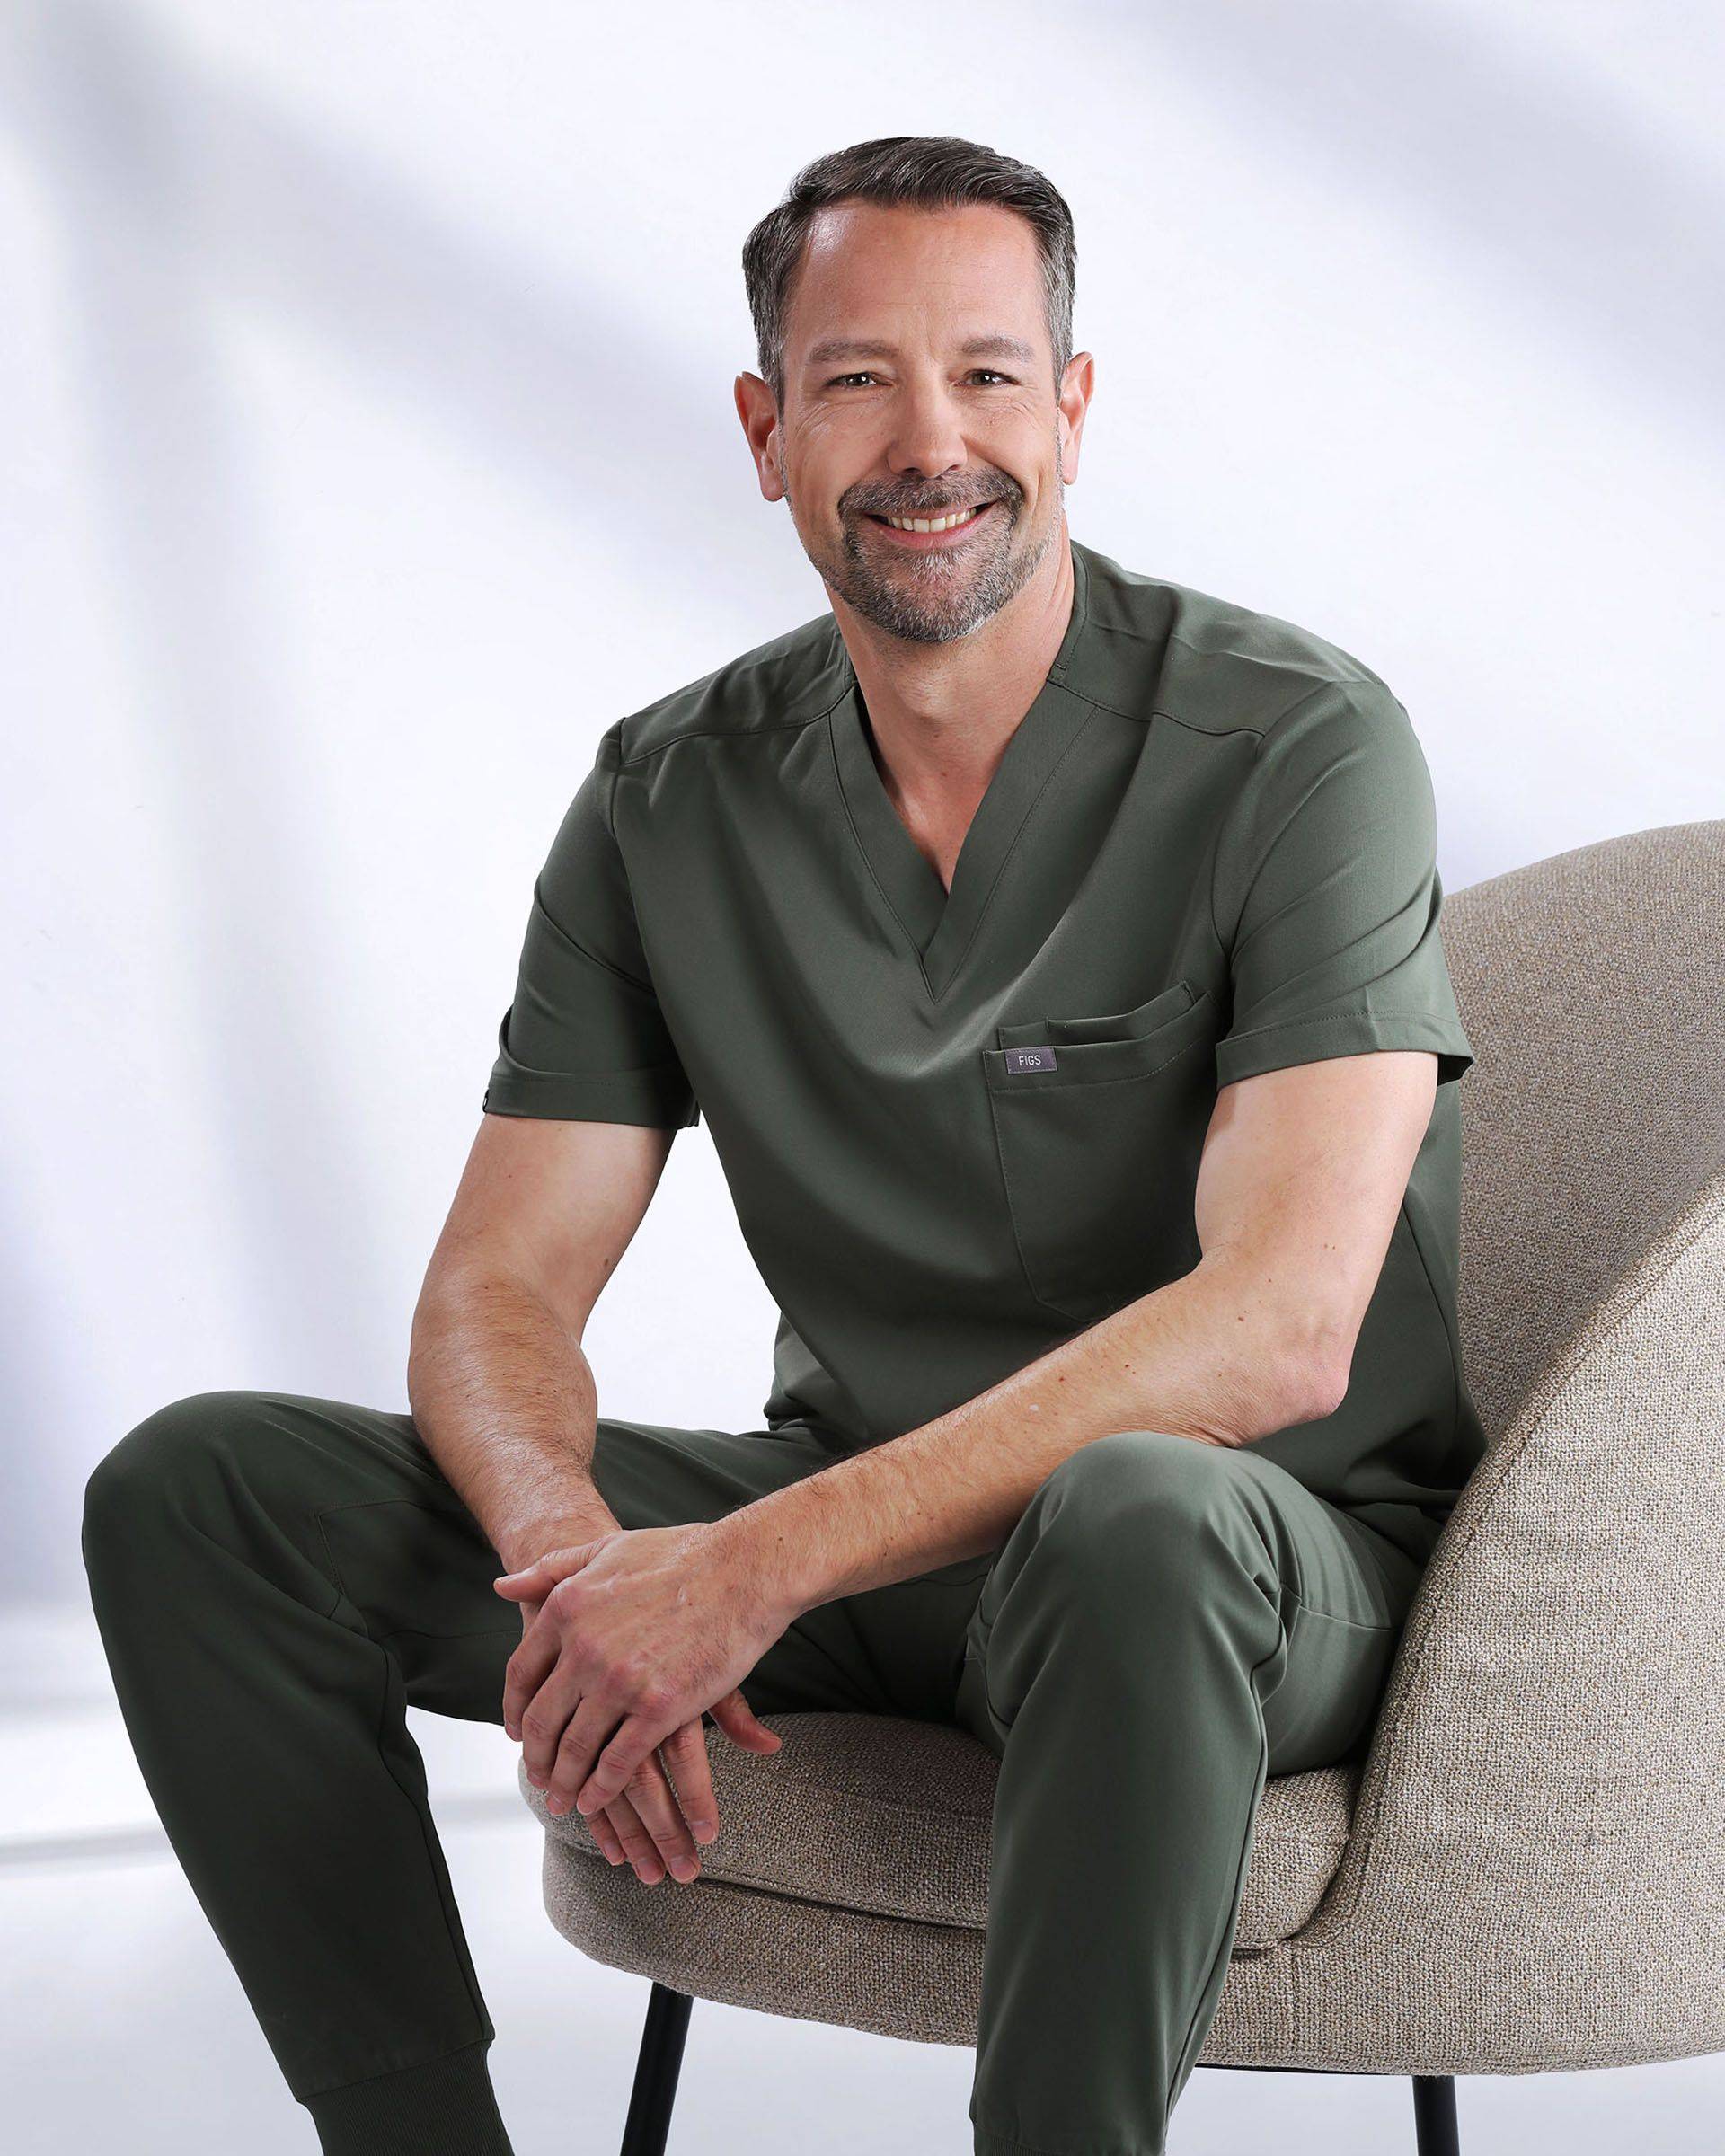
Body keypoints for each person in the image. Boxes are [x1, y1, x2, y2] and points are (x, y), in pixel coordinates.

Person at [82, 134, 1484, 2156]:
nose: (932, 444)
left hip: (1242, 1571)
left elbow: (1281, 1327)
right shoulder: (667, 797)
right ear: (766, 432)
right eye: (856, 381)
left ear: (1074, 410)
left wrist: (743, 1572)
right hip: (869, 1556)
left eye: (988, 375)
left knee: (1139, 1511)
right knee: (207, 1496)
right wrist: (584, 1579)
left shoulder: (1298, 745)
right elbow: (497, 1286)